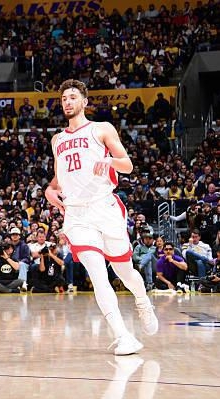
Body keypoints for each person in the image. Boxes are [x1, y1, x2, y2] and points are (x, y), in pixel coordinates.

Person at [45, 79, 158, 356]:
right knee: (97, 274)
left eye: (73, 97)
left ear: (84, 102)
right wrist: (50, 189)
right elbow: (60, 178)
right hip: (76, 214)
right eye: (64, 98)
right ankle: (123, 336)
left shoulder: (101, 128)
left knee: (124, 272)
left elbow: (127, 165)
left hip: (104, 207)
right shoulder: (57, 140)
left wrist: (109, 161)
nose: (67, 102)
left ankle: (142, 300)